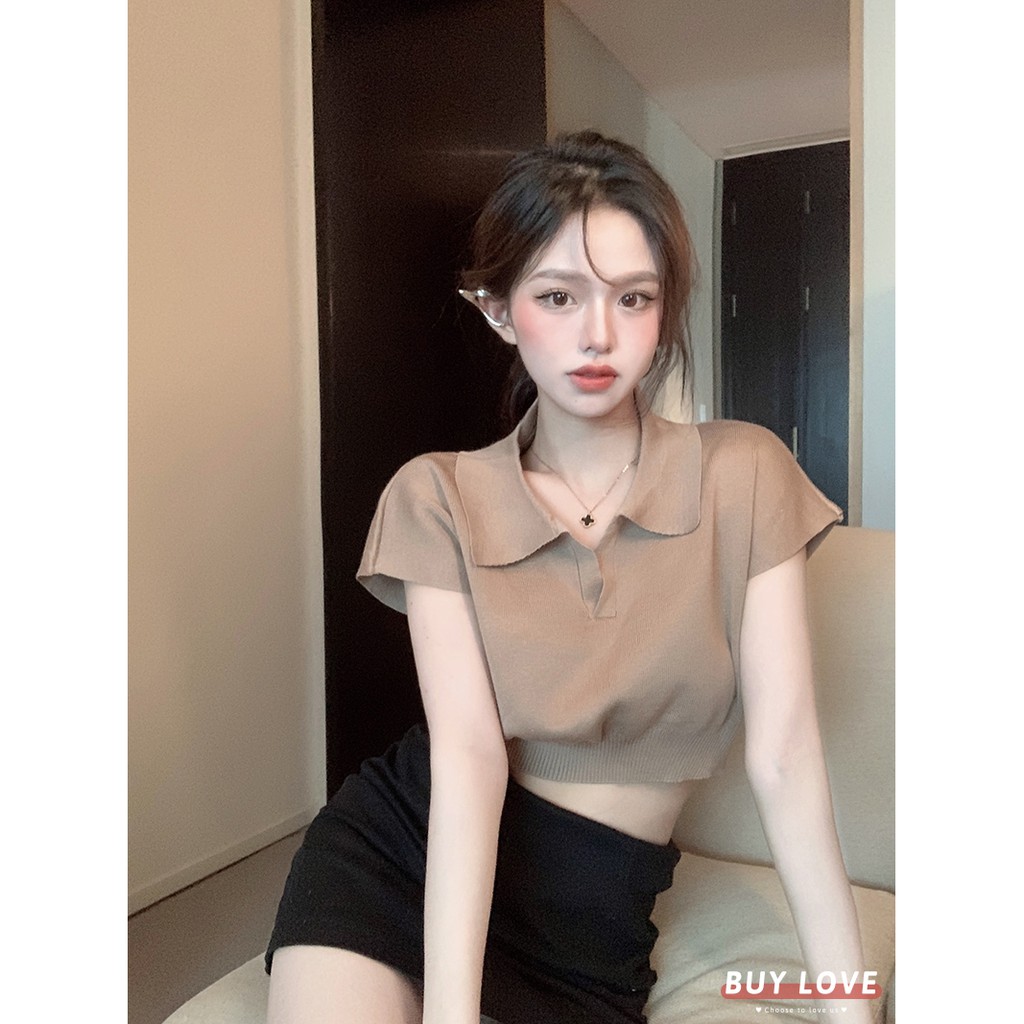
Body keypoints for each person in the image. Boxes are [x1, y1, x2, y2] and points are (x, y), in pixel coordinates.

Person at [264, 131, 872, 1024]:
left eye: (634, 298)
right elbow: (469, 758)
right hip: (397, 857)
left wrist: (850, 1008)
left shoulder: (744, 473)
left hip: (589, 931)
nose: (599, 335)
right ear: (498, 310)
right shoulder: (437, 496)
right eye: (558, 295)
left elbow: (784, 757)